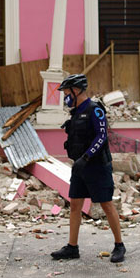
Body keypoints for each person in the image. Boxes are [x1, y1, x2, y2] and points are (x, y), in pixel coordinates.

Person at [50, 74, 126, 263]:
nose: (65, 97)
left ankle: (119, 245)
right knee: (75, 205)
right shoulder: (75, 112)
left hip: (97, 166)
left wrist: (87, 157)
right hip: (80, 167)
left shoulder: (95, 110)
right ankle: (72, 247)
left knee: (106, 204)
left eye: (67, 93)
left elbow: (101, 137)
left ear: (76, 91)